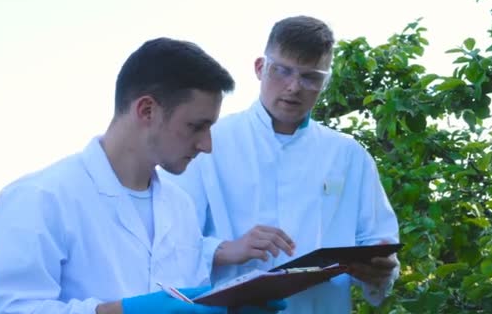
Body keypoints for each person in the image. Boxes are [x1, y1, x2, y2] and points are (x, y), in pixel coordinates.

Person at [0, 37, 286, 314]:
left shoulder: (180, 207)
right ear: (146, 110)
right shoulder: (38, 197)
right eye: (196, 126)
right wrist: (122, 311)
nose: (207, 145)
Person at [161, 16, 400, 313]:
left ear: (325, 82)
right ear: (260, 68)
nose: (293, 87)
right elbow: (166, 243)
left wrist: (380, 270)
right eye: (282, 71)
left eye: (310, 77)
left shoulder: (349, 156)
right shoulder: (208, 143)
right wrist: (226, 250)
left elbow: (379, 242)